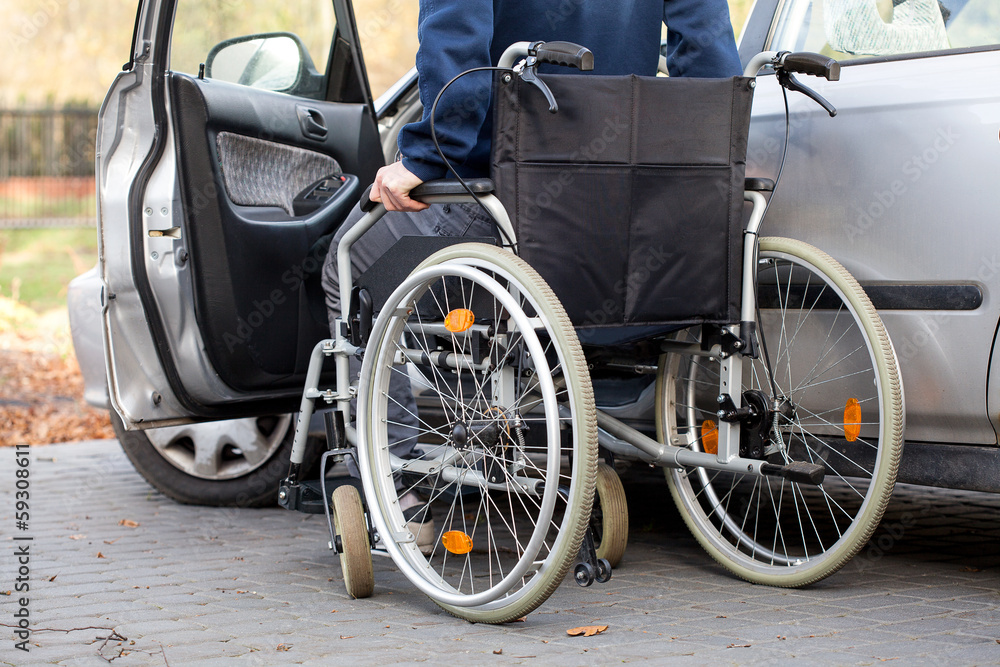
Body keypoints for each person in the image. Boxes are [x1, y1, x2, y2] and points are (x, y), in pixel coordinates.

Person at [320, 0, 742, 553]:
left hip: (512, 197)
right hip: (623, 205)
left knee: (348, 268)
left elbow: (456, 44)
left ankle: (398, 487)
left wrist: (426, 155)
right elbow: (710, 54)